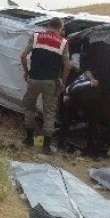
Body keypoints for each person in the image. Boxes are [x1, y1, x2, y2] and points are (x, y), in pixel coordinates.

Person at [20, 17, 70, 154]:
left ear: (48, 25)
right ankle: (46, 147)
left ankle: (29, 139)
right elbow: (67, 65)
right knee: (49, 112)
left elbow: (23, 56)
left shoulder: (36, 36)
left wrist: (26, 72)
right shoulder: (63, 42)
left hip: (34, 79)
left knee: (29, 108)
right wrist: (63, 82)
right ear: (60, 28)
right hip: (51, 82)